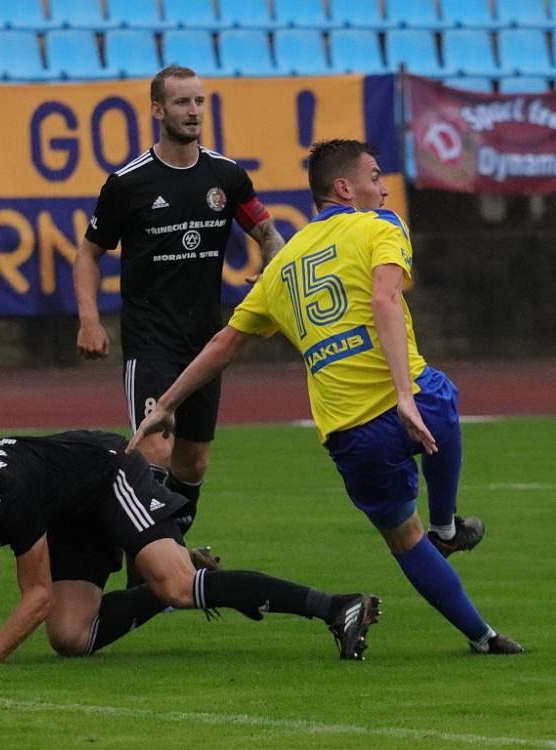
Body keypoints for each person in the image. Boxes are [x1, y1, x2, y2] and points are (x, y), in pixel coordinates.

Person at [129, 139, 523, 656]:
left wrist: (166, 405)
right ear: (344, 187)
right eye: (376, 176)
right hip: (406, 401)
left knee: (405, 537)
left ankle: (482, 635)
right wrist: (403, 395)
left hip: (349, 432)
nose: (383, 187)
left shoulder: (283, 264)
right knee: (441, 399)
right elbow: (385, 297)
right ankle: (446, 526)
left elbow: (223, 345)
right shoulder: (380, 225)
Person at [0, 430, 381, 669]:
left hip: (105, 475)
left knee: (178, 588)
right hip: (65, 510)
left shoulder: (3, 495)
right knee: (72, 640)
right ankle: (178, 572)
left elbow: (37, 597)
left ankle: (336, 607)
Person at [74, 65, 285, 547]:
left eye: (199, 102)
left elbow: (270, 234)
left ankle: (168, 560)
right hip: (151, 339)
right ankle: (149, 569)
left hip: (205, 340)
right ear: (157, 110)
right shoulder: (128, 184)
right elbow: (88, 254)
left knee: (193, 462)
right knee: (153, 451)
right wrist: (89, 319)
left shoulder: (226, 176)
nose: (193, 112)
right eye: (182, 103)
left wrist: (271, 266)